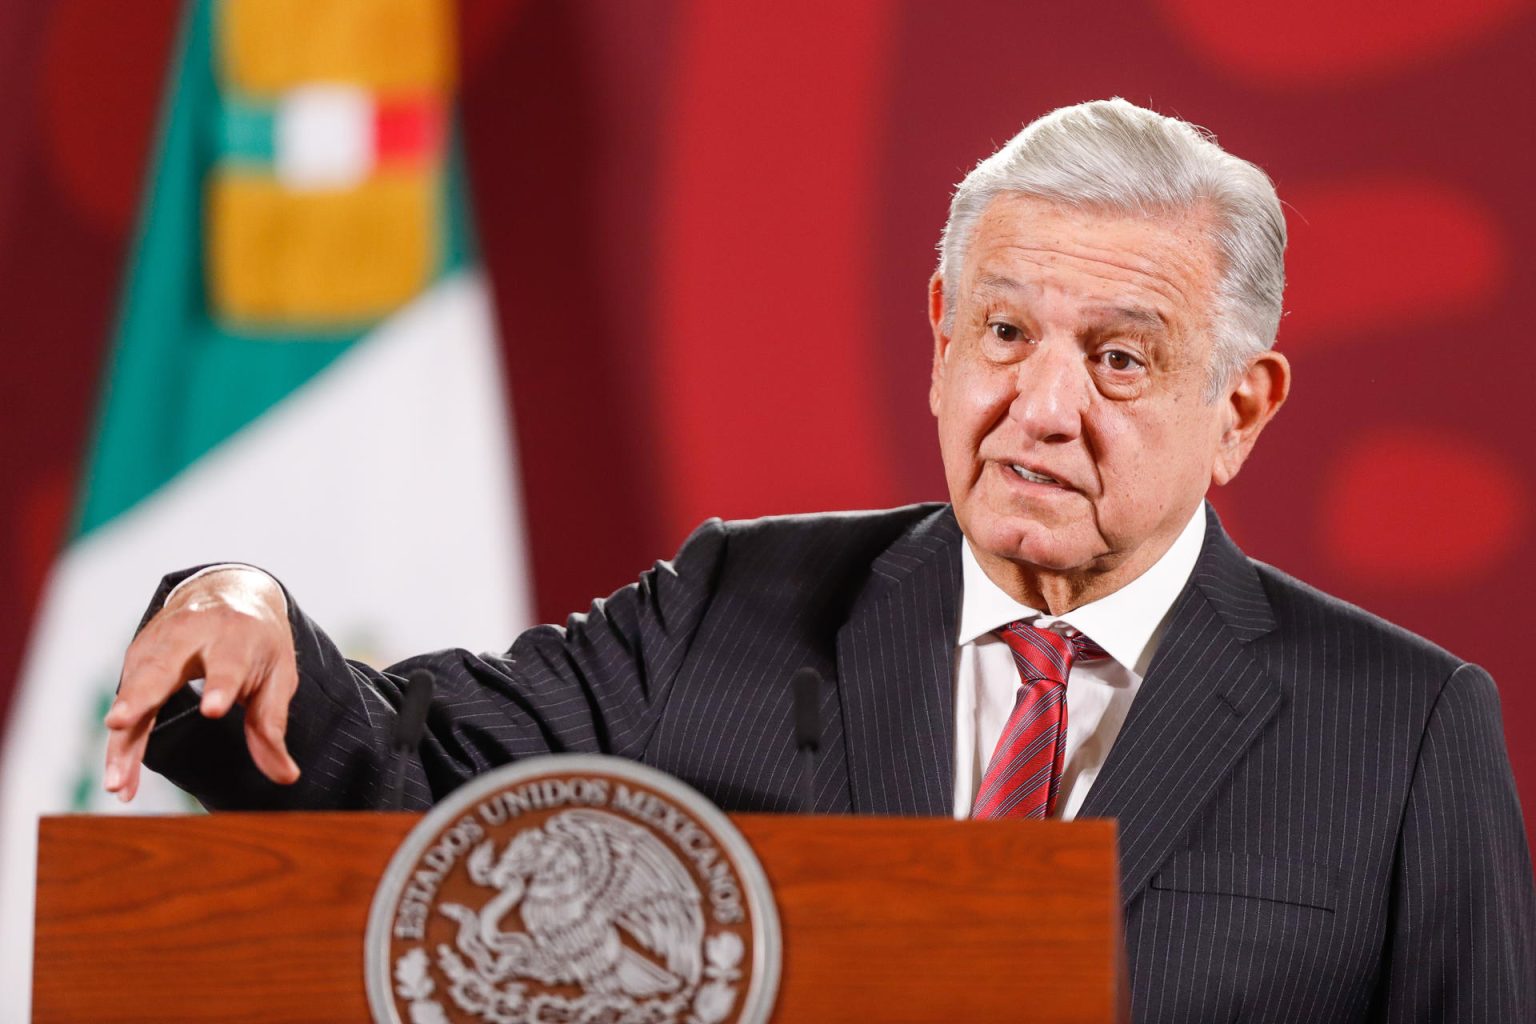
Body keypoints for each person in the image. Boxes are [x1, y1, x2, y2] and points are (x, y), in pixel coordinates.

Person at [104, 99, 1534, 1020]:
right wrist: (246, 615)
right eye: (1003, 333)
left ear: (1240, 408)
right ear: (937, 336)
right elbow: (406, 778)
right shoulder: (734, 606)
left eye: (1117, 358)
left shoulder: (1401, 733)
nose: (1040, 406)